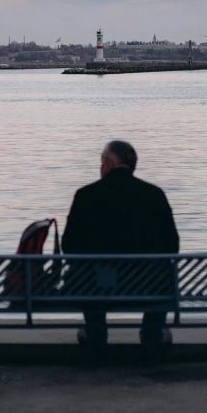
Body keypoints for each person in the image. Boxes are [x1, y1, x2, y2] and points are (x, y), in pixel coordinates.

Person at [62, 140, 179, 351]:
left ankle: (96, 332)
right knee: (163, 273)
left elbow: (69, 247)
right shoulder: (155, 194)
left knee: (87, 271)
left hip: (98, 286)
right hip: (149, 285)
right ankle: (152, 333)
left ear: (107, 163)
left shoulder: (86, 195)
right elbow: (172, 246)